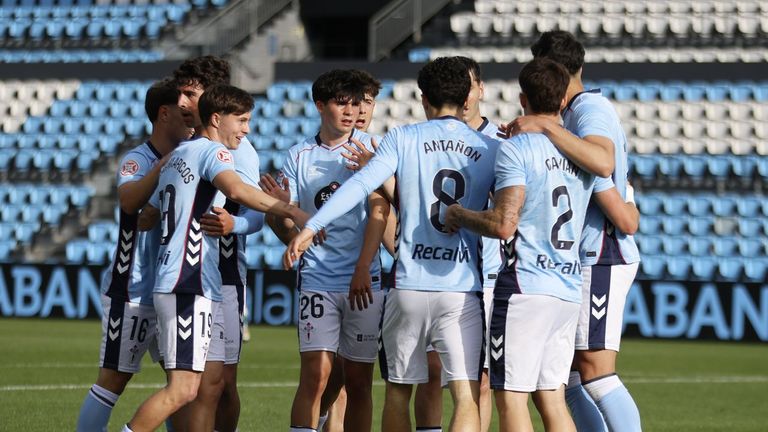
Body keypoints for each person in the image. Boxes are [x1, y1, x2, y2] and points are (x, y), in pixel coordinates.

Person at [285, 56, 500, 432]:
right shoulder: (490, 146)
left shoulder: (403, 137)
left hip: (409, 284)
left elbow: (359, 186)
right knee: (465, 395)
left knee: (399, 391)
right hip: (462, 287)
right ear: (468, 97)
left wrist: (310, 226)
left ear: (423, 99)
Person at [444, 58, 638, 432]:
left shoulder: (516, 149)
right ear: (564, 102)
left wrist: (461, 215)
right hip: (566, 289)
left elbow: (503, 224)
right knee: (552, 397)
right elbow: (623, 208)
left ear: (522, 99)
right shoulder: (584, 156)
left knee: (512, 400)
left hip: (523, 288)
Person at [121, 84, 309, 432]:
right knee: (182, 390)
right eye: (242, 120)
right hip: (187, 281)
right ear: (217, 118)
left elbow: (146, 216)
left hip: (176, 279)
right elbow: (238, 190)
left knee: (193, 388)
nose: (246, 129)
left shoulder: (178, 154)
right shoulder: (214, 152)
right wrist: (291, 211)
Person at [505, 31, 643, 432]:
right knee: (564, 379)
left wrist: (545, 129)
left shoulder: (589, 110)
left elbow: (601, 164)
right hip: (580, 255)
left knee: (595, 370)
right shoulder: (579, 112)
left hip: (602, 252)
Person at [263, 69, 388, 432]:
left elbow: (380, 212)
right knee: (315, 376)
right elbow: (285, 227)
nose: (350, 111)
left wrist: (364, 266)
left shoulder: (372, 149)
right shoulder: (299, 156)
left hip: (365, 281)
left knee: (359, 381)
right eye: (340, 103)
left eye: (355, 103)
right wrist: (281, 209)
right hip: (317, 279)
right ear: (320, 105)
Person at [75, 79, 192, 432]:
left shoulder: (191, 156)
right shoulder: (136, 159)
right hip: (134, 287)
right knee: (113, 380)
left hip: (174, 289)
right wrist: (165, 167)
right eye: (185, 113)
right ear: (164, 113)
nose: (192, 119)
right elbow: (129, 201)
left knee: (182, 386)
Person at [172, 55, 265, 432]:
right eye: (180, 94)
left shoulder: (240, 151)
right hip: (184, 275)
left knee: (221, 385)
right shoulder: (183, 146)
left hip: (224, 278)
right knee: (188, 385)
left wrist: (235, 224)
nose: (182, 103)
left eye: (190, 94)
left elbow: (256, 215)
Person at [318, 68, 383, 432]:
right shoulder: (309, 152)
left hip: (375, 274)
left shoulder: (379, 149)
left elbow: (386, 211)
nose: (358, 111)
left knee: (352, 372)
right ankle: (324, 419)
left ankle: (325, 416)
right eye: (350, 103)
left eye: (366, 102)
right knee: (329, 371)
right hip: (326, 277)